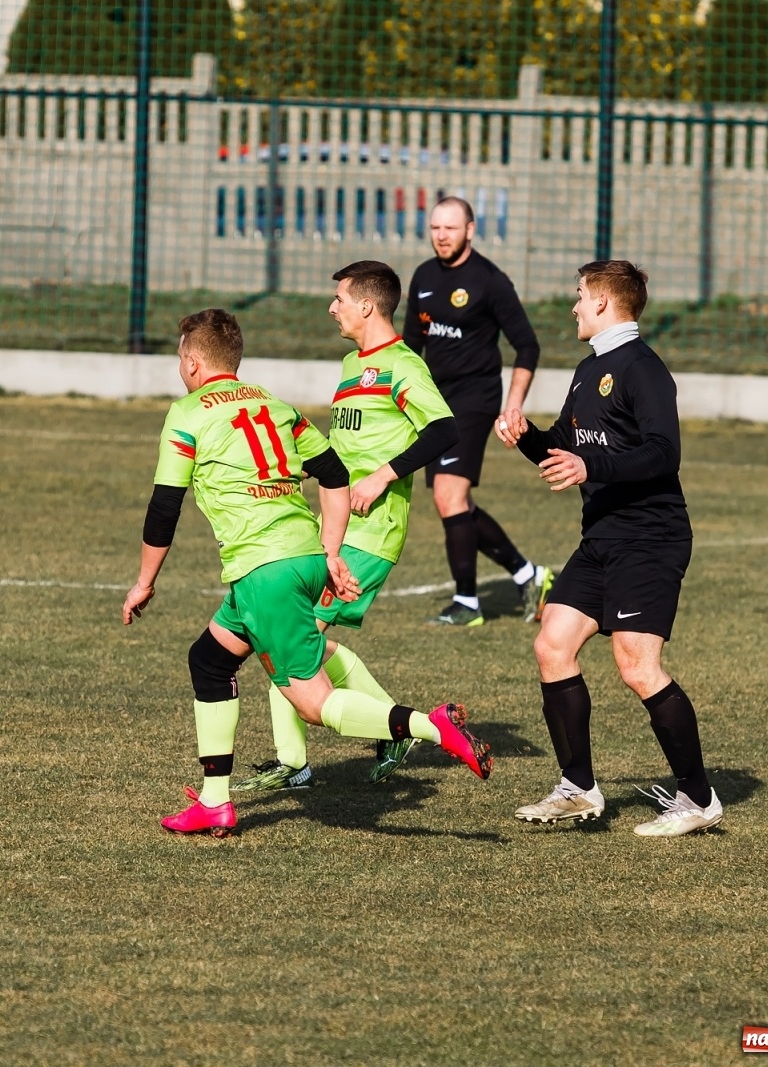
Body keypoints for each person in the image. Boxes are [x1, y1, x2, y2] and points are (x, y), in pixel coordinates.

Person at [122, 308, 491, 837]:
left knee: (314, 703)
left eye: (181, 358)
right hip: (304, 554)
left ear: (193, 363)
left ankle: (426, 726)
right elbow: (334, 472)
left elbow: (164, 508)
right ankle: (214, 801)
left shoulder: (186, 414)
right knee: (209, 660)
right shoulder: (275, 404)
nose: (181, 367)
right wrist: (331, 553)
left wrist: (144, 582)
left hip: (263, 569)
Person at [496, 261, 721, 837]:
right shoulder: (588, 368)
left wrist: (589, 464)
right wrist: (527, 437)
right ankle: (577, 789)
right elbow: (565, 448)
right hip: (602, 535)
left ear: (602, 303)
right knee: (552, 645)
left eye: (579, 295)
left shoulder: (643, 368)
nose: (573, 306)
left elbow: (663, 452)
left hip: (650, 537)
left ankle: (698, 798)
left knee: (637, 666)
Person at [233, 260, 463, 793]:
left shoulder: (402, 365)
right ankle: (372, 735)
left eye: (340, 298)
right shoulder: (350, 364)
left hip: (373, 530)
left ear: (367, 305)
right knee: (291, 635)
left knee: (293, 637)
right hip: (336, 526)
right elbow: (346, 447)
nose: (332, 307)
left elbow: (444, 429)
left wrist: (382, 476)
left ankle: (303, 761)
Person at [403, 196, 554, 626]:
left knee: (448, 495)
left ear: (470, 230)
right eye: (435, 227)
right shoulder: (423, 276)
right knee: (456, 503)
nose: (441, 236)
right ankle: (529, 575)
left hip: (475, 399)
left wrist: (513, 405)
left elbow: (527, 346)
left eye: (450, 228)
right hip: (435, 401)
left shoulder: (490, 280)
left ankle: (467, 603)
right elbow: (411, 346)